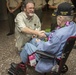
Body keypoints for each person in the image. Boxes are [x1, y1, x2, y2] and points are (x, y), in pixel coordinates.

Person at [19, 2, 76, 73]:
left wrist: (39, 42)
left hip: (50, 57)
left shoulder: (58, 35)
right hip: (60, 53)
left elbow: (48, 48)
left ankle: (22, 65)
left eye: (57, 17)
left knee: (27, 45)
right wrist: (46, 33)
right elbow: (57, 35)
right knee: (33, 40)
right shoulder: (73, 26)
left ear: (61, 18)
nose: (56, 19)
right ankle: (30, 56)